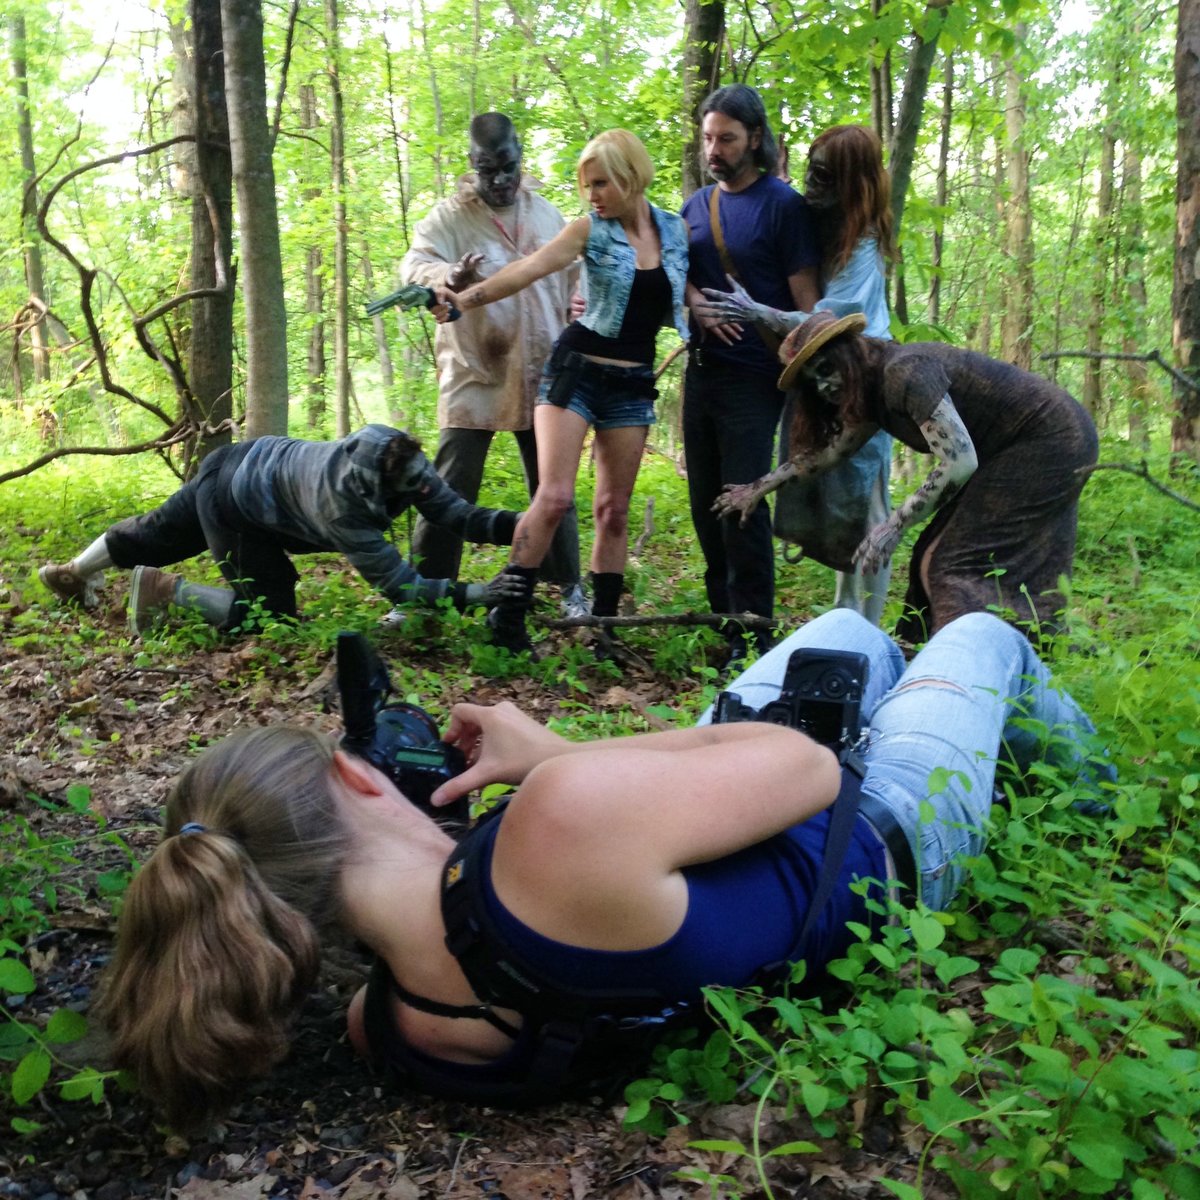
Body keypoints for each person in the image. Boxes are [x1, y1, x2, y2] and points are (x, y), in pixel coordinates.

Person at [96, 606, 1112, 1129]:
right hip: (875, 841)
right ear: (356, 782)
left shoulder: (388, 1026)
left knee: (844, 633)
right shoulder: (556, 824)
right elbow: (807, 766)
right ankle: (1104, 800)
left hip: (709, 870)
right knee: (979, 636)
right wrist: (556, 760)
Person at [436, 128, 688, 657]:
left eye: (601, 184)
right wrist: (462, 298)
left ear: (630, 177)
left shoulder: (674, 230)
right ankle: (509, 613)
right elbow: (523, 272)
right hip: (575, 371)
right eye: (586, 185)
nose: (592, 195)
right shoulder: (586, 230)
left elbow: (685, 290)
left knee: (613, 510)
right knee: (553, 496)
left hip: (633, 383)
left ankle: (604, 629)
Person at [712, 313, 1099, 644]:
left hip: (1050, 441)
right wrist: (758, 487)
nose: (825, 385)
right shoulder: (870, 390)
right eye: (814, 380)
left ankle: (966, 664)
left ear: (850, 353)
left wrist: (892, 525)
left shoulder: (904, 373)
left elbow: (959, 461)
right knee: (929, 557)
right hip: (1014, 448)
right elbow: (829, 454)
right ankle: (928, 652)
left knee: (951, 564)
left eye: (827, 369)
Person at [37, 425, 526, 634]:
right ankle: (164, 591)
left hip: (240, 457)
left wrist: (519, 525)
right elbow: (401, 586)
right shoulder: (343, 510)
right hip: (237, 501)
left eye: (424, 477)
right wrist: (482, 592)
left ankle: (74, 571)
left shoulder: (398, 461)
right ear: (379, 488)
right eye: (413, 486)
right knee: (271, 613)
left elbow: (455, 512)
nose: (426, 489)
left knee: (160, 531)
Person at [698, 124, 897, 625]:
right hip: (823, 375)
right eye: (810, 167)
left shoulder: (863, 243)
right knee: (832, 498)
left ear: (851, 181)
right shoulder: (816, 220)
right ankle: (843, 614)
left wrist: (758, 313)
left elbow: (832, 314)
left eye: (825, 174)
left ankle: (865, 627)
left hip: (864, 377)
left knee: (867, 504)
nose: (812, 181)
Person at [400, 113, 588, 621]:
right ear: (471, 165)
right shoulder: (448, 218)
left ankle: (568, 586)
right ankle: (425, 592)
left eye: (507, 167)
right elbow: (415, 265)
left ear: (520, 156)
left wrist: (580, 301)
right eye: (487, 170)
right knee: (447, 485)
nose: (499, 180)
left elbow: (577, 272)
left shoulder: (547, 215)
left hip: (544, 366)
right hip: (475, 366)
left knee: (553, 484)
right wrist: (447, 275)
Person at [681, 84, 821, 668]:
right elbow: (675, 278)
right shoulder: (693, 207)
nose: (714, 149)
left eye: (727, 139)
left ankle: (754, 632)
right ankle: (723, 619)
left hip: (755, 380)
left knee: (743, 503)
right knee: (702, 505)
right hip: (701, 372)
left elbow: (809, 307)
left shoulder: (782, 207)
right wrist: (693, 304)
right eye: (708, 138)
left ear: (755, 140)